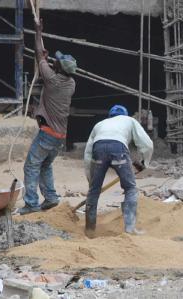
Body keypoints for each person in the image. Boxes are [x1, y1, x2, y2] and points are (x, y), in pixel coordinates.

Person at [19, 19, 77, 215]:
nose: (54, 60)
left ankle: (32, 203)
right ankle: (51, 198)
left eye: (57, 62)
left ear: (58, 68)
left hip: (48, 134)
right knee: (45, 165)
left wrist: (37, 32)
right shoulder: (71, 83)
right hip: (60, 136)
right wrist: (47, 59)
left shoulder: (51, 80)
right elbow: (45, 61)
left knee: (31, 166)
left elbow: (38, 54)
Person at [83, 105, 153, 238]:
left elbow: (87, 154)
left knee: (93, 191)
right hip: (118, 148)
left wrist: (90, 181)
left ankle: (89, 230)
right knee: (130, 188)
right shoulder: (130, 121)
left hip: (99, 148)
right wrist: (145, 162)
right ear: (125, 115)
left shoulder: (100, 124)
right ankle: (130, 229)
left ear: (110, 116)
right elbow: (147, 144)